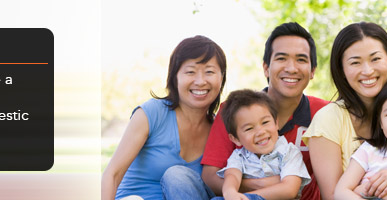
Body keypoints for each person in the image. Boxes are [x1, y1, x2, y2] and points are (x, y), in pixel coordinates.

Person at [303, 22, 387, 200]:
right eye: (355, 62)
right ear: (341, 70)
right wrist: (384, 192)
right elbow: (334, 196)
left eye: (375, 59)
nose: (368, 71)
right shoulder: (328, 120)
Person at [202, 22, 329, 200]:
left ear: (312, 70)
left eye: (301, 60)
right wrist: (261, 184)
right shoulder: (233, 111)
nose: (291, 68)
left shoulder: (326, 113)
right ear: (266, 68)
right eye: (281, 58)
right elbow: (210, 177)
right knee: (179, 178)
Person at [101, 35, 226, 200]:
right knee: (174, 176)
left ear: (221, 77)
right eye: (190, 72)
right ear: (175, 77)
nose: (200, 81)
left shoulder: (219, 130)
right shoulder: (152, 113)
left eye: (209, 72)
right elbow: (113, 174)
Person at [213, 89, 312, 200]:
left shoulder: (289, 152)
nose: (260, 132)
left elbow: (290, 190)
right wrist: (230, 192)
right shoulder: (239, 156)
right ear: (235, 139)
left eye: (265, 122)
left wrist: (248, 197)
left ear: (276, 123)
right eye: (249, 128)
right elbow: (232, 176)